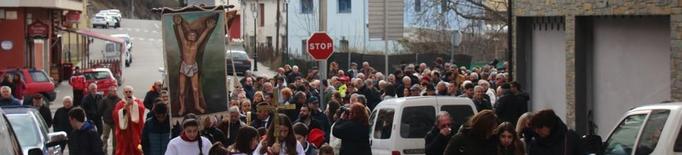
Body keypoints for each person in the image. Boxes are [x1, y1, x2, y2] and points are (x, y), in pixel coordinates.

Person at [173, 15, 214, 115]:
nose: (192, 37)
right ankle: (182, 107)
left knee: (195, 89)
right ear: (187, 36)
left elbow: (203, 36)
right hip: (184, 67)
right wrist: (178, 24)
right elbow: (180, 33)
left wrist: (208, 28)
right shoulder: (184, 43)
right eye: (190, 35)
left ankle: (197, 105)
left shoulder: (196, 44)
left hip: (193, 67)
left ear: (196, 37)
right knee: (182, 91)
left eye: (194, 36)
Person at [113, 86, 145, 155]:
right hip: (124, 132)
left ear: (132, 93)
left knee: (138, 147)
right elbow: (115, 115)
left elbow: (142, 109)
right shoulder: (120, 104)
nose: (128, 93)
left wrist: (134, 104)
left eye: (130, 92)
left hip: (136, 130)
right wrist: (124, 109)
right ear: (123, 93)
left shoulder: (138, 102)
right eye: (126, 92)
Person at [99, 86, 120, 153]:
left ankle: (115, 151)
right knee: (105, 137)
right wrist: (104, 116)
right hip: (107, 122)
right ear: (109, 92)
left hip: (115, 122)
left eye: (115, 91)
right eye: (112, 91)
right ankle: (104, 150)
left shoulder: (119, 100)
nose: (114, 92)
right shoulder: (104, 100)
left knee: (115, 138)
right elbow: (100, 109)